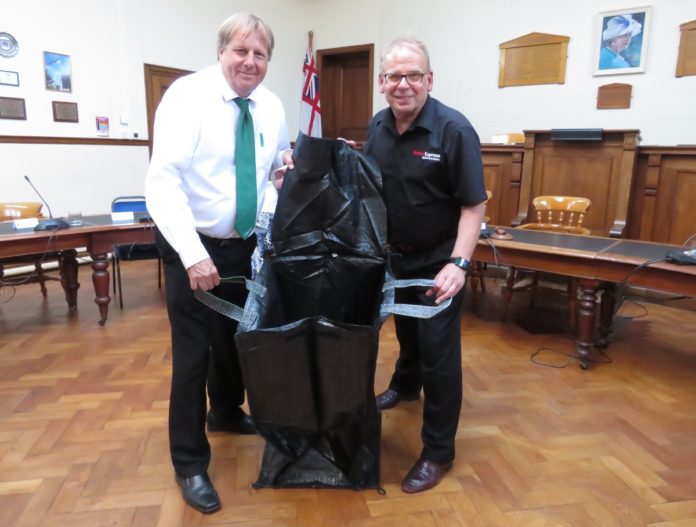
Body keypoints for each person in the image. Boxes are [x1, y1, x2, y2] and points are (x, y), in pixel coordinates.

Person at [145, 13, 292, 514]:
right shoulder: (186, 98)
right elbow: (162, 184)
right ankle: (189, 463)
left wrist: (279, 183)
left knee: (235, 338)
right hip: (191, 241)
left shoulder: (271, 106)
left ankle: (226, 411)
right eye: (241, 51)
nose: (250, 62)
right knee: (194, 355)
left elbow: (273, 169)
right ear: (221, 51)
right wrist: (192, 255)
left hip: (243, 243)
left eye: (260, 54)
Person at [363, 37, 487, 493]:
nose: (404, 84)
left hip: (439, 261)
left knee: (439, 353)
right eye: (394, 76)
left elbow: (474, 206)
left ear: (429, 80)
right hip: (394, 258)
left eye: (413, 75)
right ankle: (405, 385)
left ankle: (438, 452)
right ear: (382, 83)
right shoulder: (376, 126)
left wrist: (458, 263)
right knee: (406, 333)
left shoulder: (453, 130)